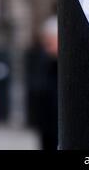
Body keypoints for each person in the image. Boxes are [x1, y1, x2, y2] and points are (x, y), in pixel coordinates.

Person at [28, 16, 58, 150]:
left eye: (50, 41)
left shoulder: (64, 64)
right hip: (46, 120)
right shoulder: (42, 58)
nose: (47, 45)